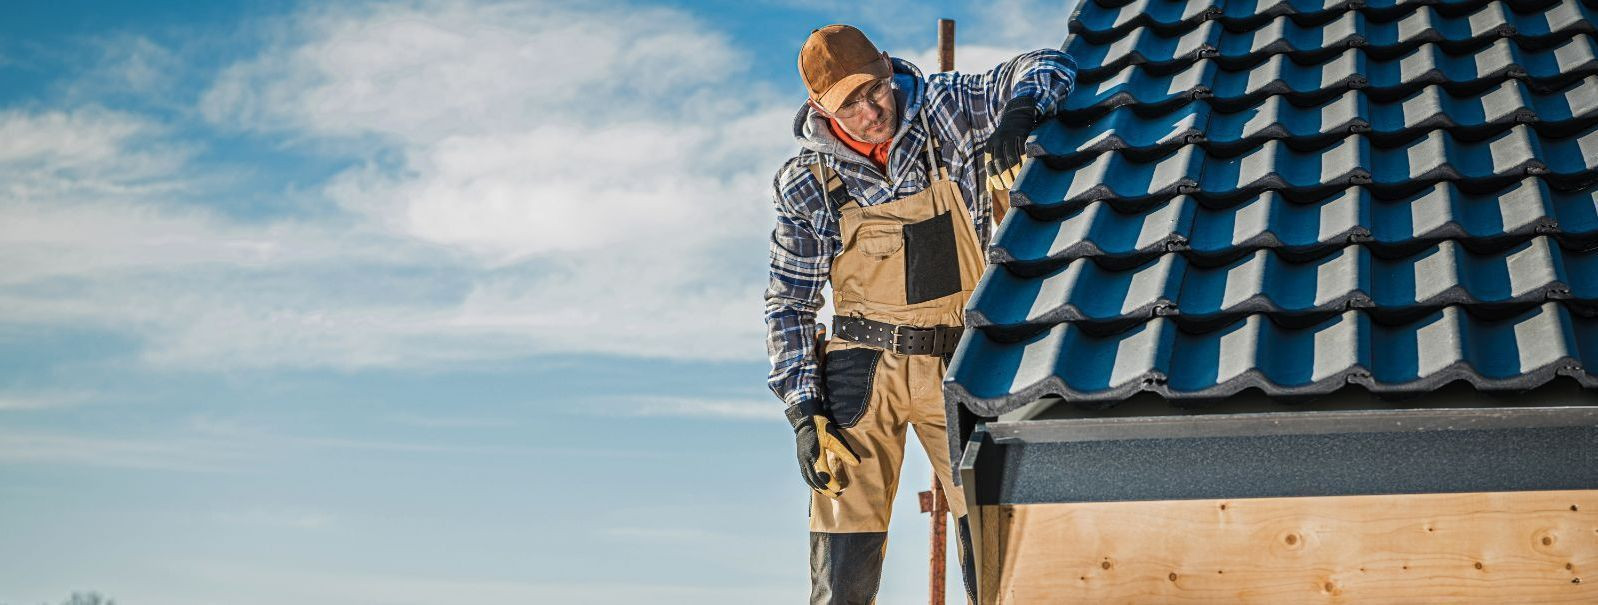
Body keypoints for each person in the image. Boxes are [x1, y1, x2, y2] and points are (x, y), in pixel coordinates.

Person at [763, 24, 1077, 604]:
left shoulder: (949, 109)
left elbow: (1047, 63)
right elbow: (789, 302)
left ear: (887, 68)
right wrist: (804, 411)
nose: (869, 112)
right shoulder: (805, 184)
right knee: (843, 550)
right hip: (860, 371)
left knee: (996, 531)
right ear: (819, 109)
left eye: (874, 91)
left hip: (956, 359)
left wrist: (1019, 114)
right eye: (849, 106)